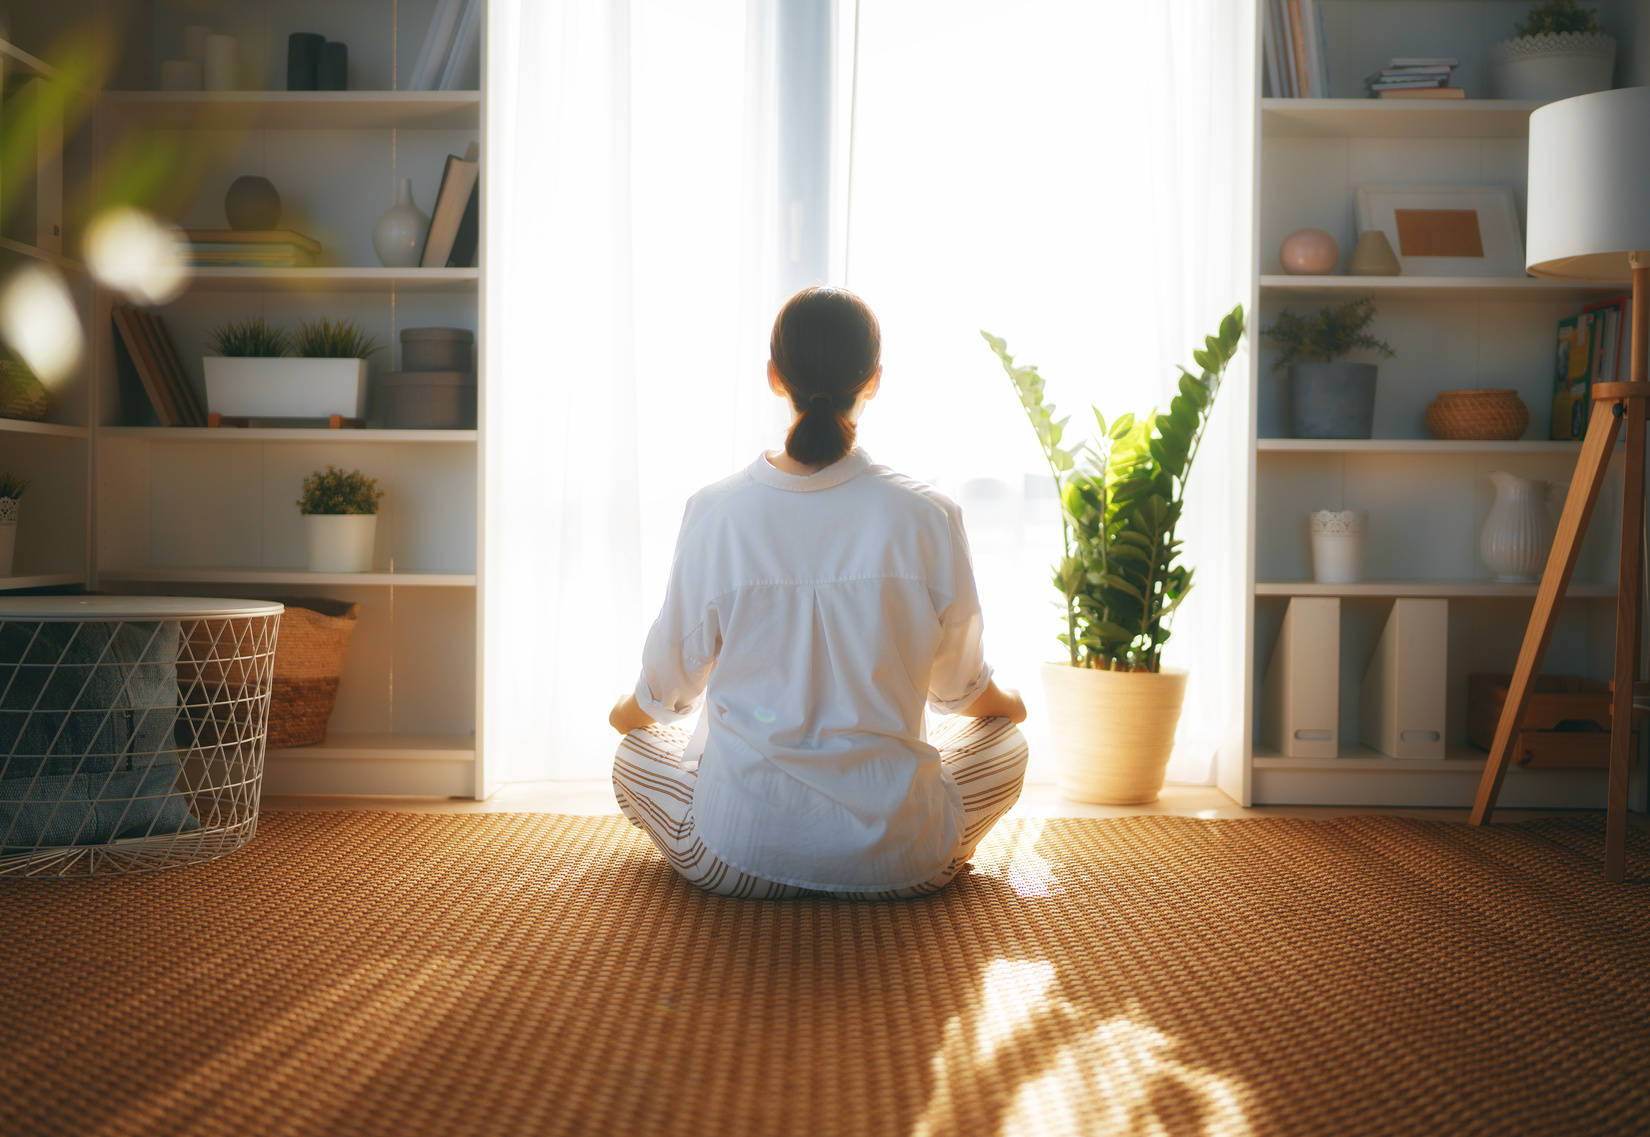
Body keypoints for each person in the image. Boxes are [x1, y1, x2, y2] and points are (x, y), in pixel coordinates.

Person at [609, 286, 1027, 900]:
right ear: (875, 380)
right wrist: (1008, 704)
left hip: (735, 860)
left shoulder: (716, 512)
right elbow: (959, 690)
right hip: (903, 867)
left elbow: (666, 690)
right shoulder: (929, 515)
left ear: (775, 378)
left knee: (634, 756)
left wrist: (626, 718)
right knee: (1008, 744)